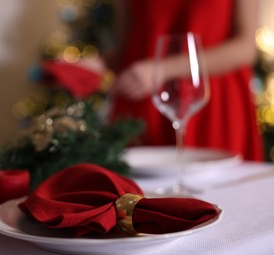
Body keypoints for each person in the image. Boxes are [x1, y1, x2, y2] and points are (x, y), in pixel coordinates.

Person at [105, 0, 264, 161]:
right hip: (143, 105)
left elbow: (245, 48)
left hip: (212, 104)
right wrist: (93, 65)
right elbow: (124, 49)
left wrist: (162, 69)